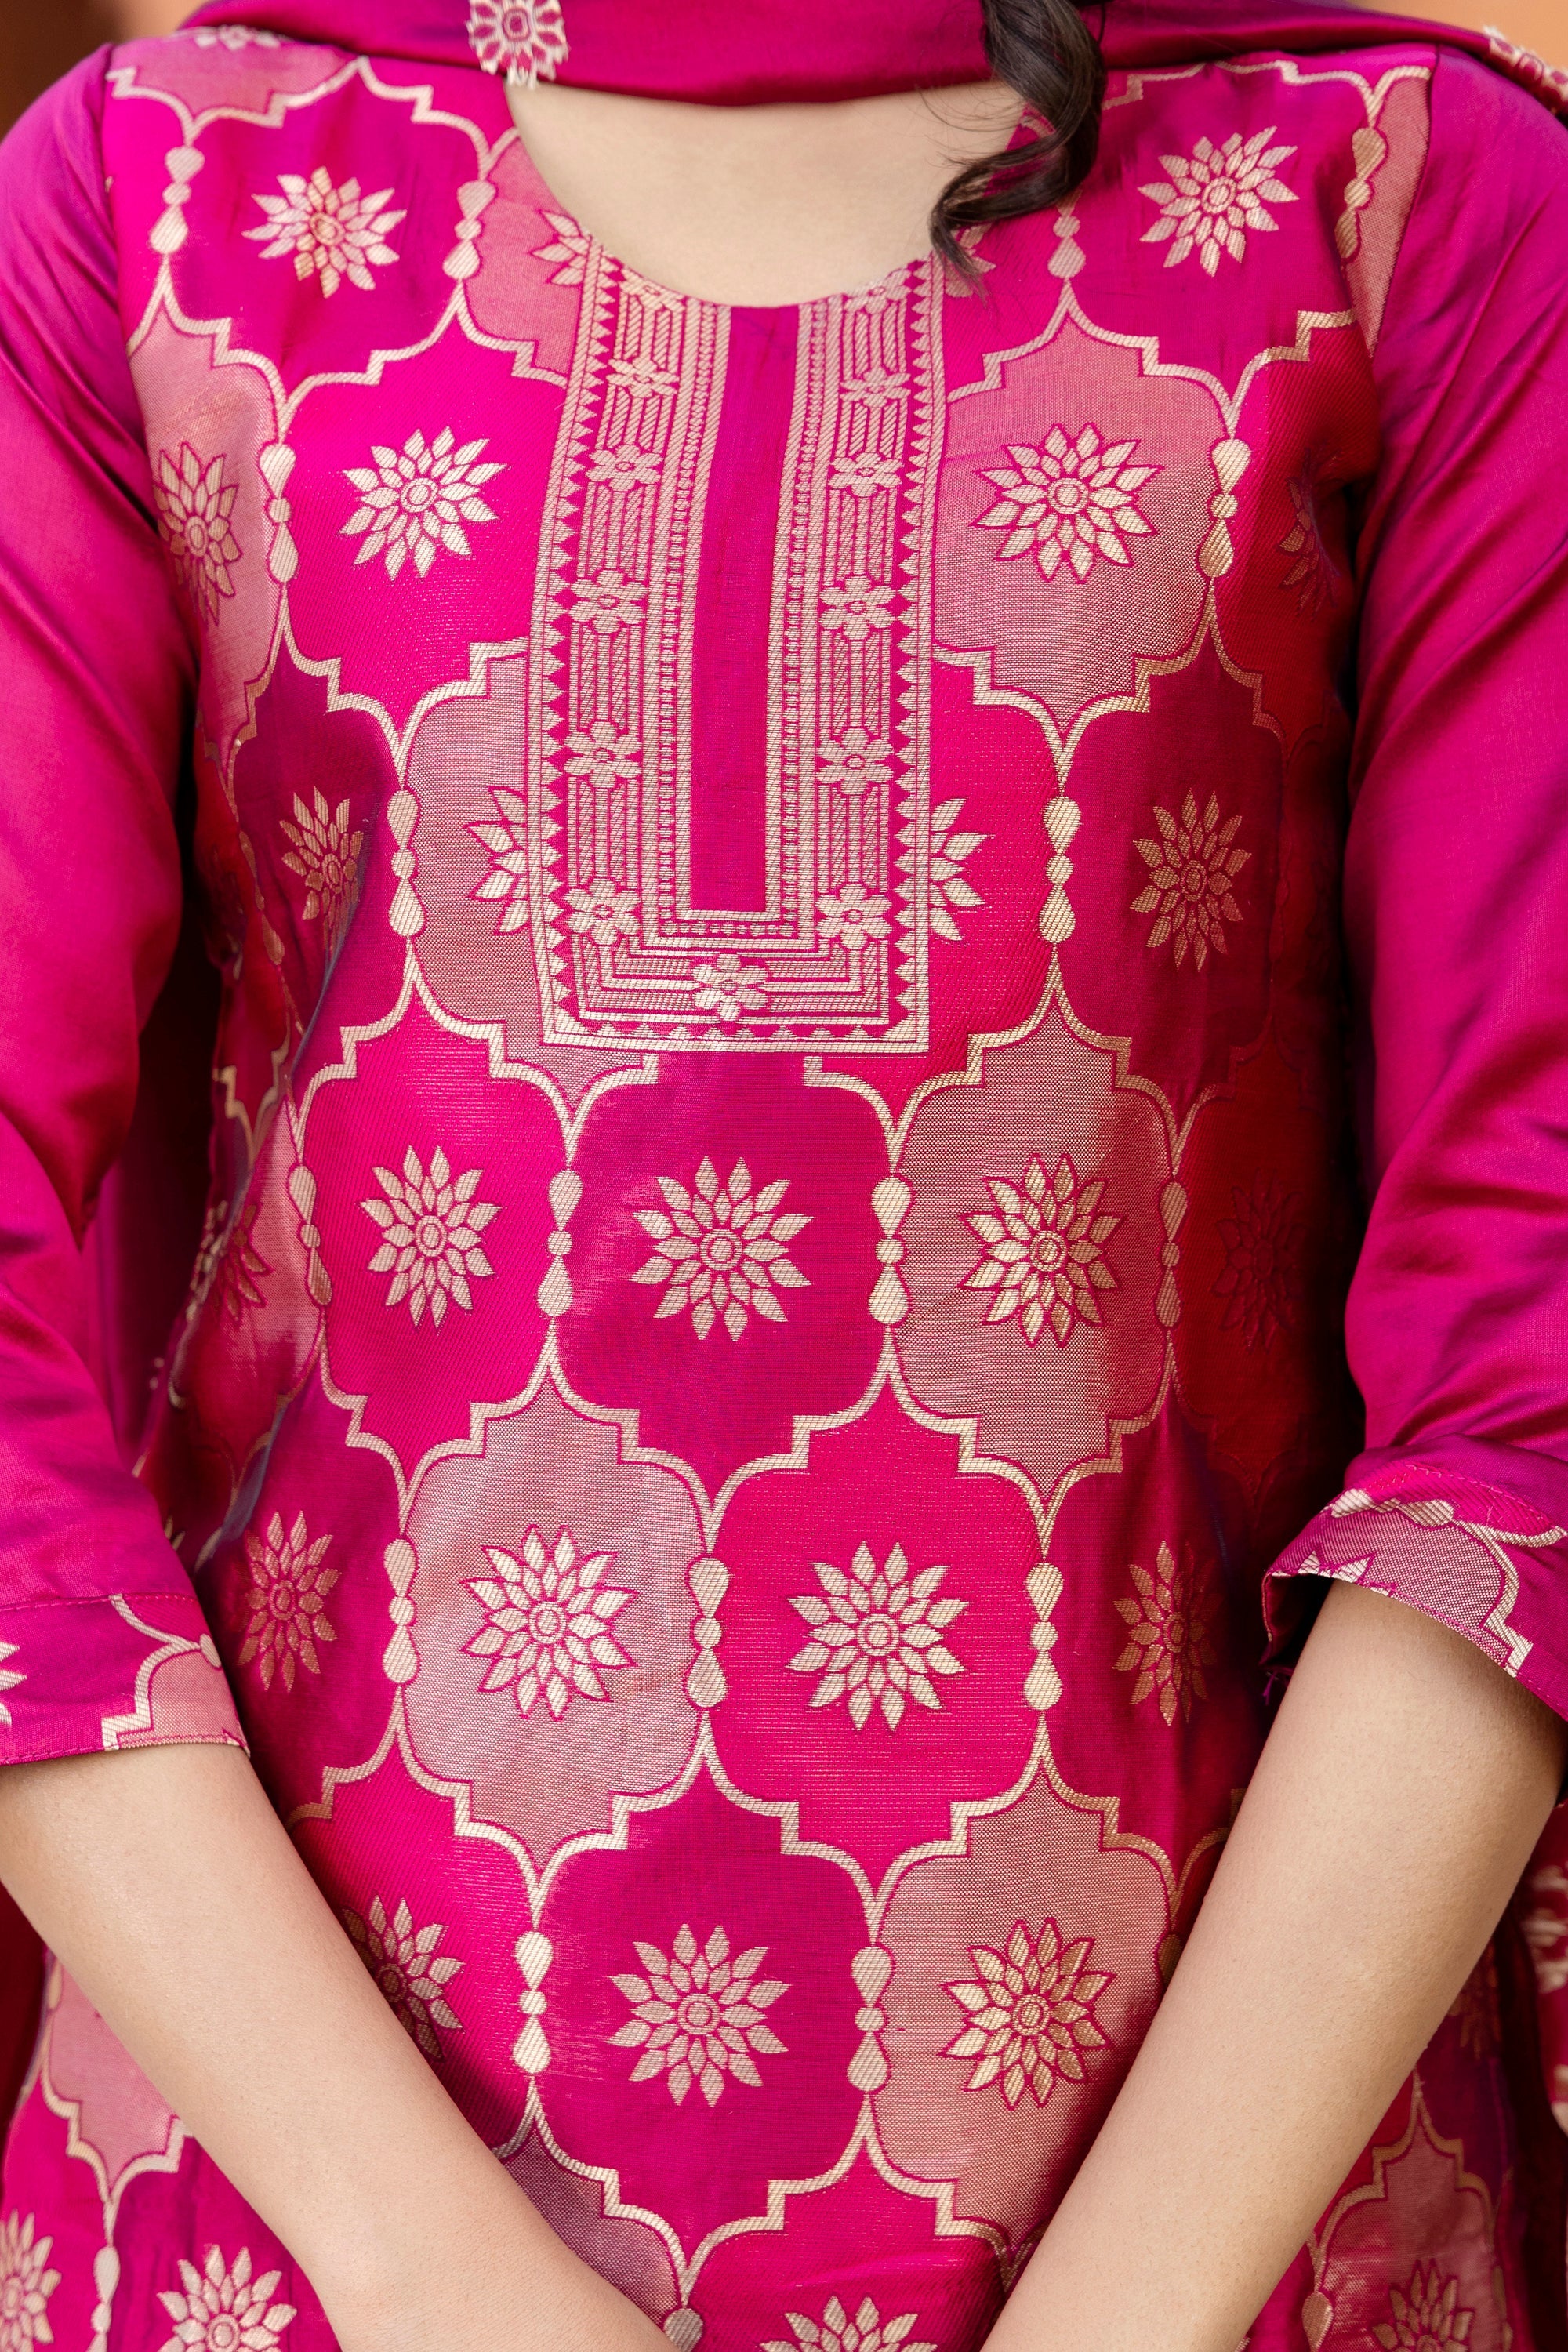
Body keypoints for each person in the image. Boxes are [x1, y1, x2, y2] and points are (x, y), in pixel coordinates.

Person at [0, 1, 1566, 2347]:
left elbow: (1532, 1375)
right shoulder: (162, 205)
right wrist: (435, 2282)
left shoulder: (1393, 197)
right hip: (299, 2240)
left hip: (1235, 2251)